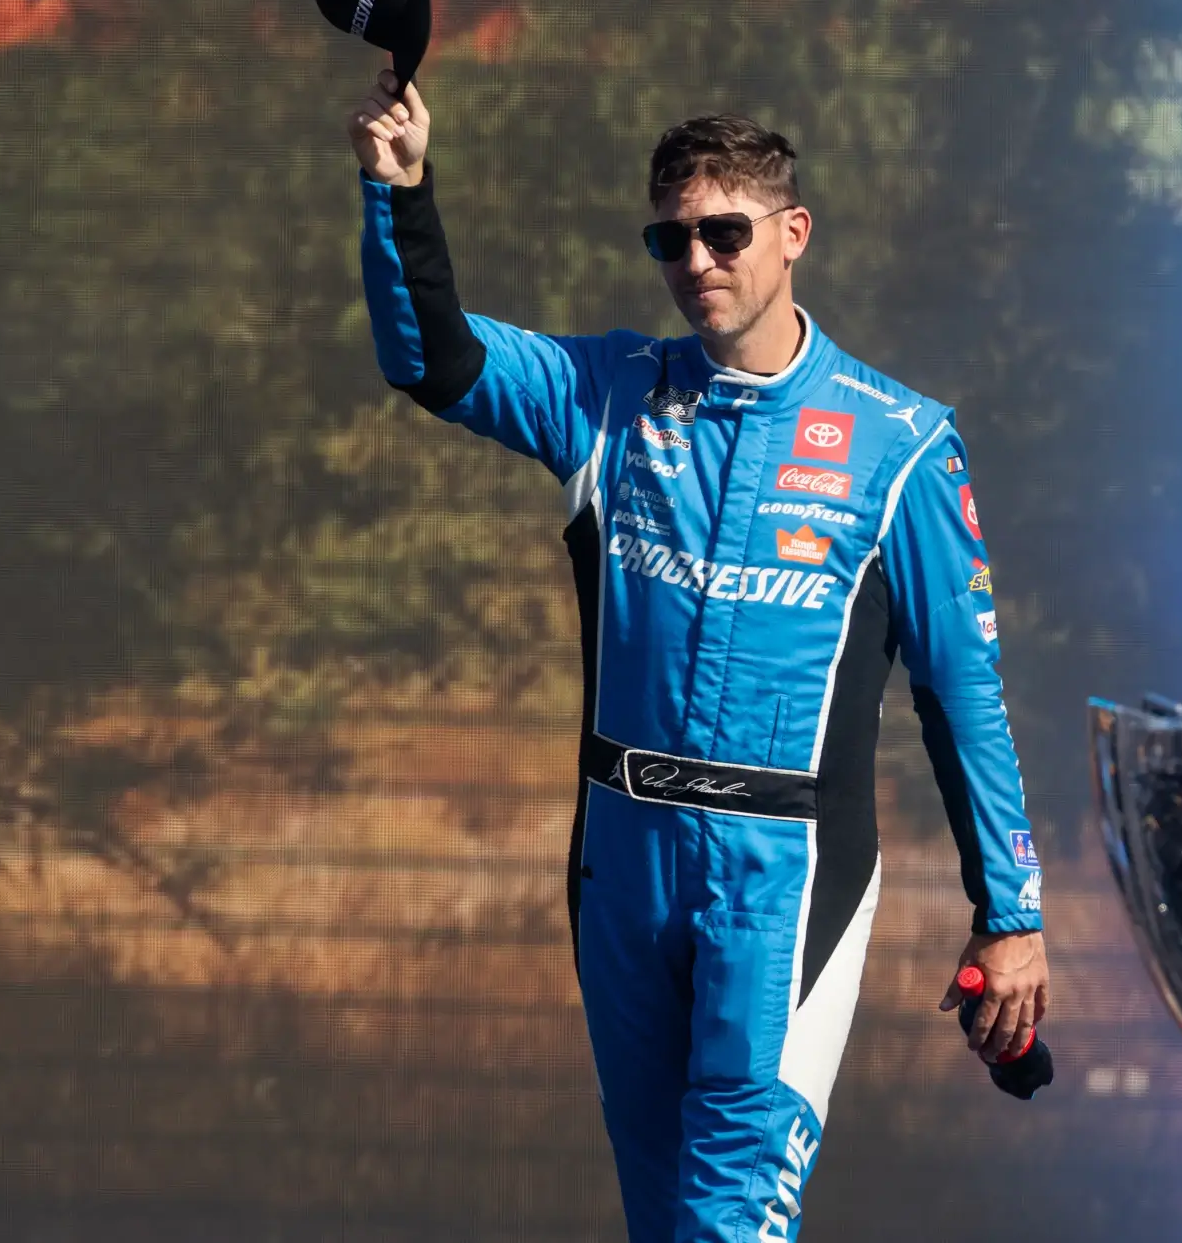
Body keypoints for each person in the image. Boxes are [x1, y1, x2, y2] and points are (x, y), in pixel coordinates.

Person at [345, 68, 1050, 1242]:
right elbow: (434, 359)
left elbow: (960, 690)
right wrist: (399, 189)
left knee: (727, 1218)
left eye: (723, 233)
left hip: (781, 872)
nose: (696, 262)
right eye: (668, 241)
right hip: (622, 861)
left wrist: (1009, 912)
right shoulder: (610, 395)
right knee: (662, 1213)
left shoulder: (900, 442)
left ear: (791, 235)